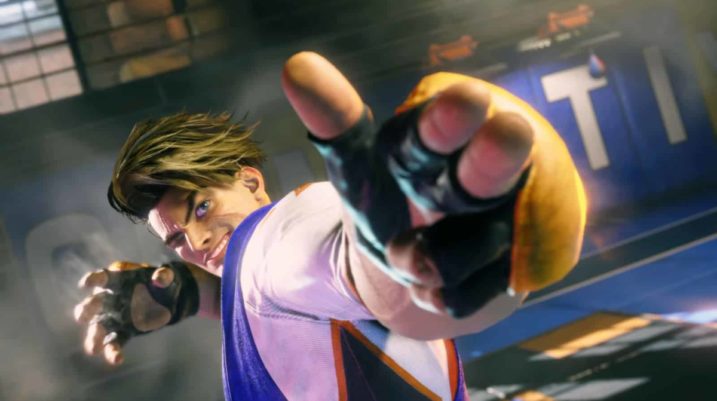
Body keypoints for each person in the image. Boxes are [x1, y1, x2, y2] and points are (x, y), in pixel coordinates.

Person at [74, 52, 586, 400]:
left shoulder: (275, 240)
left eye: (202, 209)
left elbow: (324, 264)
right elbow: (277, 302)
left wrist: (388, 259)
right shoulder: (251, 280)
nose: (198, 242)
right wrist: (183, 293)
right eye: (177, 239)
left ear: (251, 181)